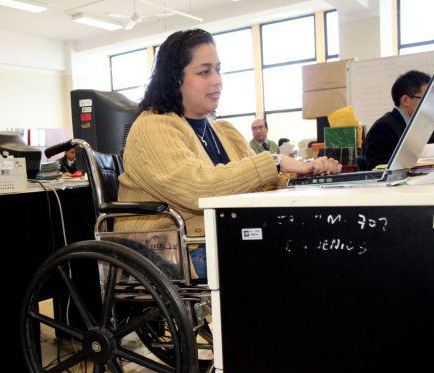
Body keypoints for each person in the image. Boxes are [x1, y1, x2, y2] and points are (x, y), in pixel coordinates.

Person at [116, 29, 341, 278]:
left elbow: (259, 183)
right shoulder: (153, 127)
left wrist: (305, 176)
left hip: (216, 237)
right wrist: (275, 162)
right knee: (295, 264)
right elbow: (197, 190)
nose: (217, 80)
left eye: (218, 69)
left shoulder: (223, 130)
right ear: (175, 78)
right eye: (204, 72)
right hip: (173, 249)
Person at [363, 70, 431, 170]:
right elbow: (377, 169)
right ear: (406, 100)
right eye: (425, 98)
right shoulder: (383, 128)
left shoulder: (419, 126)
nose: (430, 104)